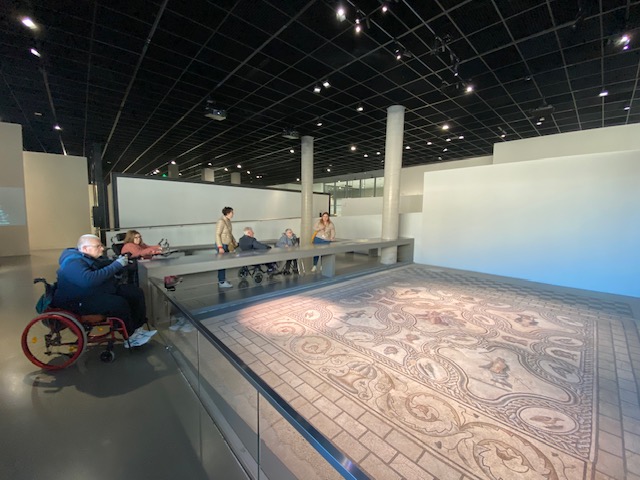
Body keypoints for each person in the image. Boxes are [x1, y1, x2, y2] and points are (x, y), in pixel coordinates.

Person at [52, 234, 156, 348]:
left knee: (135, 292)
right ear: (85, 248)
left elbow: (102, 265)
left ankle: (137, 329)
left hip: (92, 292)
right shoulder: (72, 263)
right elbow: (89, 280)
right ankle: (130, 336)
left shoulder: (86, 257)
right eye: (98, 246)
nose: (102, 248)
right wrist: (116, 265)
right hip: (78, 300)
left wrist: (117, 262)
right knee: (118, 303)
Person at [215, 206, 235, 288]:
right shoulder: (221, 221)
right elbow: (217, 234)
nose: (233, 214)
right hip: (222, 245)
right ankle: (222, 282)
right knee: (222, 263)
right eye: (232, 212)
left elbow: (229, 233)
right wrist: (220, 247)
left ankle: (222, 279)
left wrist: (234, 241)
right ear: (228, 213)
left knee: (224, 263)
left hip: (227, 244)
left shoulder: (228, 221)